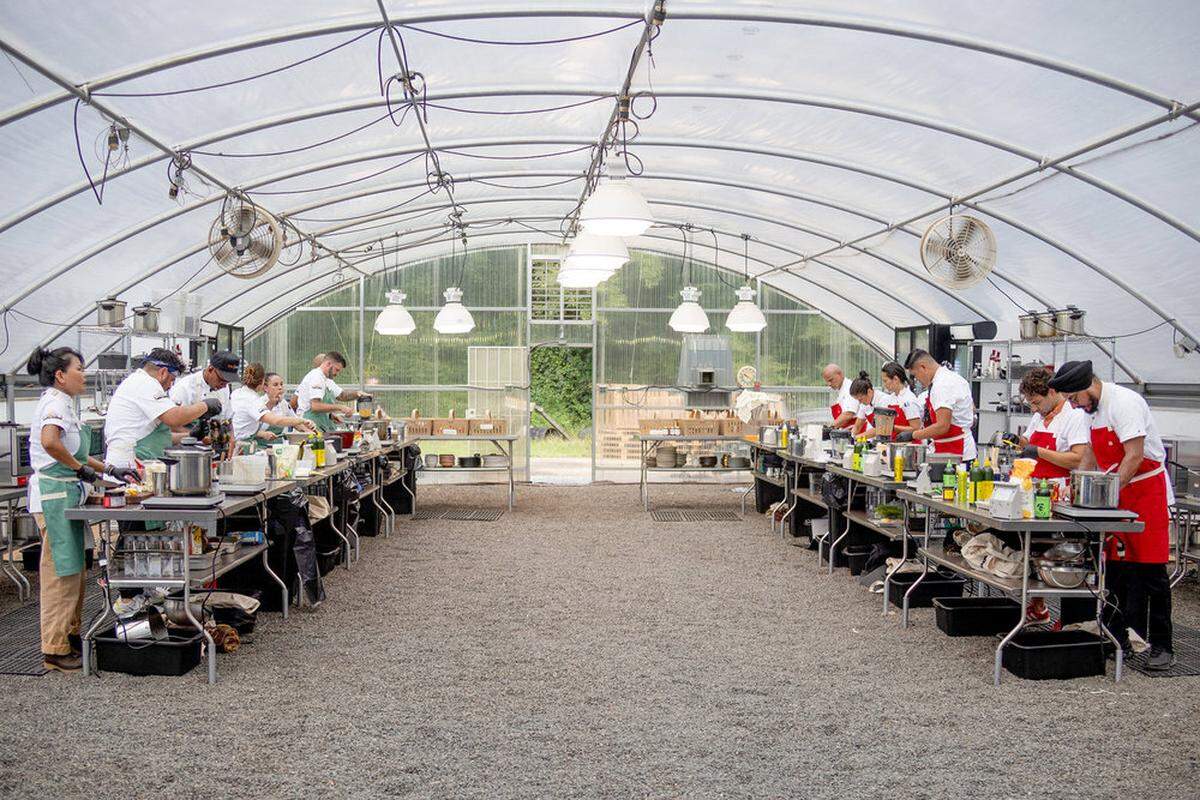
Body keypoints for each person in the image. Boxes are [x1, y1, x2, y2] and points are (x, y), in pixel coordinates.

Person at [1050, 359, 1175, 669]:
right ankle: (1116, 637)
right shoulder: (1089, 413)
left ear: (1087, 387)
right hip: (1117, 491)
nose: (1074, 405)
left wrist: (1107, 496)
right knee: (1114, 571)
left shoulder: (1125, 403)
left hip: (1146, 490)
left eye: (1075, 398)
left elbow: (1133, 456)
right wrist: (1077, 489)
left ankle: (1163, 645)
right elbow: (1090, 457)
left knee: (1151, 572)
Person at [26, 347, 140, 672]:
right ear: (60, 375)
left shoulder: (64, 404)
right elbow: (51, 443)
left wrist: (108, 471)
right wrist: (80, 470)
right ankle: (54, 648)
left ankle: (69, 637)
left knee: (75, 571)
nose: (84, 373)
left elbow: (73, 450)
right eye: (79, 368)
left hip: (67, 494)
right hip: (54, 497)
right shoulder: (53, 404)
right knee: (61, 574)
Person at [1005, 367, 1091, 625]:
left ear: (1052, 391)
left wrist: (1038, 451)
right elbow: (1028, 443)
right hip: (1034, 491)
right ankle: (1037, 606)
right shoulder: (1041, 416)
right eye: (1030, 403)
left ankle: (1073, 620)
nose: (1034, 408)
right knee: (1032, 548)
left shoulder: (1073, 417)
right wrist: (1016, 441)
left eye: (1037, 402)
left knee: (1061, 556)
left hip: (1059, 493)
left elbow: (1077, 457)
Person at [896, 350, 977, 461]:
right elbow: (972, 409)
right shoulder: (955, 378)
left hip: (955, 452)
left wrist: (913, 435)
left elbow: (942, 426)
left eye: (915, 375)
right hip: (960, 449)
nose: (917, 380)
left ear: (923, 367)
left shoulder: (941, 385)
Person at [230, 362, 314, 443]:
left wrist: (308, 431)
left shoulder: (238, 393)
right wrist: (302, 420)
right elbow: (276, 421)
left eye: (281, 384)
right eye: (275, 385)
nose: (280, 388)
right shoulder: (255, 401)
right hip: (253, 444)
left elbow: (294, 422)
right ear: (264, 386)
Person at [296, 351, 367, 432]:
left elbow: (342, 395)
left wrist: (358, 394)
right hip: (308, 427)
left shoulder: (327, 379)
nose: (337, 374)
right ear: (328, 364)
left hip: (320, 426)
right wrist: (340, 407)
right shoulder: (316, 377)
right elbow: (315, 406)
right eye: (336, 370)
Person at [168, 350, 240, 420]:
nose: (224, 386)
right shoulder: (184, 387)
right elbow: (173, 421)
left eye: (228, 382)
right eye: (222, 380)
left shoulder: (224, 387)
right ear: (210, 369)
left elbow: (228, 419)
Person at [878, 361, 923, 436]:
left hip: (910, 444)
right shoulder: (890, 398)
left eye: (885, 381)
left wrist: (892, 427)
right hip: (895, 442)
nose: (884, 385)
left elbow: (916, 428)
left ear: (895, 379)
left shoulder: (909, 400)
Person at [822, 363, 859, 430]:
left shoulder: (850, 388)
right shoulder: (841, 390)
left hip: (859, 434)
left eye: (831, 380)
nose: (829, 384)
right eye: (827, 382)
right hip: (848, 432)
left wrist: (830, 428)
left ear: (840, 374)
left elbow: (848, 414)